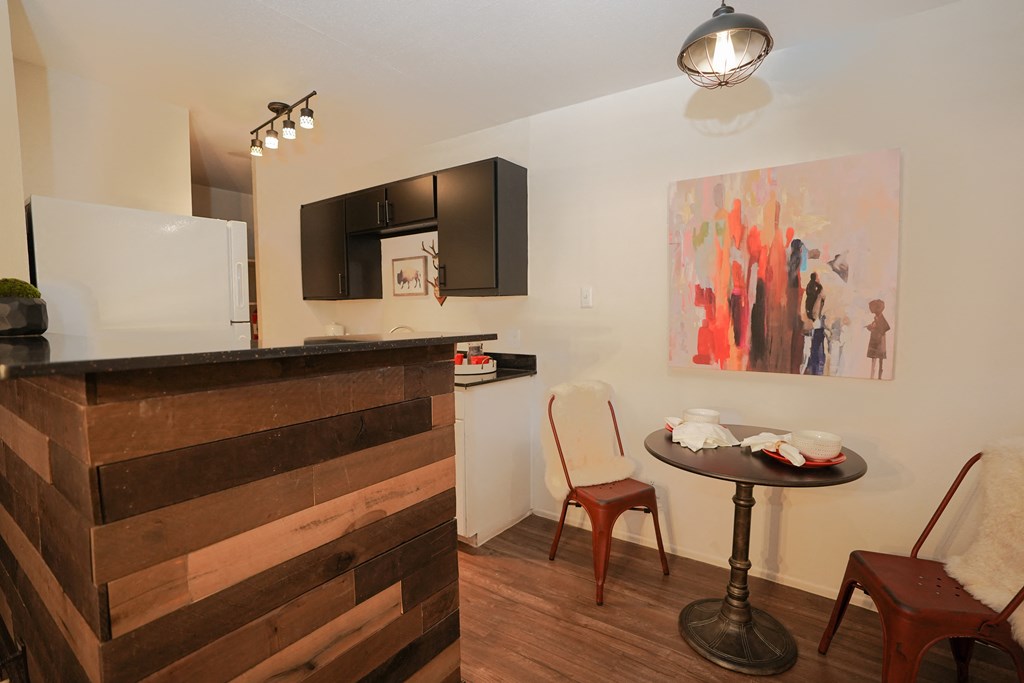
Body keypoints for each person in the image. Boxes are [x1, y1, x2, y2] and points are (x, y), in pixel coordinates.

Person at [865, 299, 890, 379]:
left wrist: (874, 327)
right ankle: (873, 376)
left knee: (879, 362)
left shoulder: (880, 318)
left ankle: (878, 377)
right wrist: (872, 327)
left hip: (879, 343)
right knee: (874, 361)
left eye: (871, 307)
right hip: (876, 342)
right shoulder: (876, 317)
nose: (870, 309)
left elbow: (886, 328)